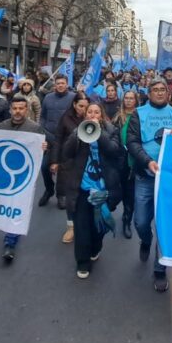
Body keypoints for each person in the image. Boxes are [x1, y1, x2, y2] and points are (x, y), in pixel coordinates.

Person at [126, 77, 172, 293]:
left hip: (169, 180)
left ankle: (159, 270)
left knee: (163, 225)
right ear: (149, 93)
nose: (159, 93)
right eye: (155, 90)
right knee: (141, 222)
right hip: (145, 177)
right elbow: (131, 142)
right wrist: (146, 161)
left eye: (163, 90)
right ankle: (145, 240)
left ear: (168, 94)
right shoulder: (138, 114)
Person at [60, 102, 122, 279]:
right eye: (89, 112)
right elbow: (67, 152)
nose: (93, 115)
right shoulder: (78, 130)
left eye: (96, 112)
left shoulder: (111, 130)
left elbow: (113, 150)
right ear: (84, 114)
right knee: (81, 227)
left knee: (98, 227)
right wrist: (77, 134)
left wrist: (98, 132)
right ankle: (82, 262)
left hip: (103, 189)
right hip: (82, 188)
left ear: (101, 115)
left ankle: (96, 246)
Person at [0, 95, 46, 263]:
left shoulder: (35, 128)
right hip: (3, 175)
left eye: (21, 108)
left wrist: (43, 148)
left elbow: (39, 153)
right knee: (5, 205)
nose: (17, 111)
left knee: (16, 205)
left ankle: (10, 241)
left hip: (23, 176)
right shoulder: (1, 127)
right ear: (10, 110)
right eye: (14, 108)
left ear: (27, 110)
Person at [52, 93, 90, 243]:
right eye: (81, 106)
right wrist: (55, 161)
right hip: (69, 162)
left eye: (86, 107)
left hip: (88, 164)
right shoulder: (66, 118)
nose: (84, 109)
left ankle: (87, 226)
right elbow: (58, 139)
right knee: (70, 198)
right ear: (74, 105)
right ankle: (71, 227)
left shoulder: (95, 117)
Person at [38, 73, 74, 206]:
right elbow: (43, 116)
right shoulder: (47, 97)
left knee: (63, 169)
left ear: (67, 84)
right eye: (58, 83)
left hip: (66, 139)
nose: (60, 85)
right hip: (50, 138)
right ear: (55, 84)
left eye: (62, 83)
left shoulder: (73, 97)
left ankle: (61, 195)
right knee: (44, 167)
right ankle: (48, 190)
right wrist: (42, 129)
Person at [114, 89, 140, 239]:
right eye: (126, 98)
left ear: (136, 100)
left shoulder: (140, 117)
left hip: (134, 160)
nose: (129, 101)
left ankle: (126, 220)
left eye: (131, 98)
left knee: (130, 193)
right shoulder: (118, 117)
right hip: (119, 159)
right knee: (120, 189)